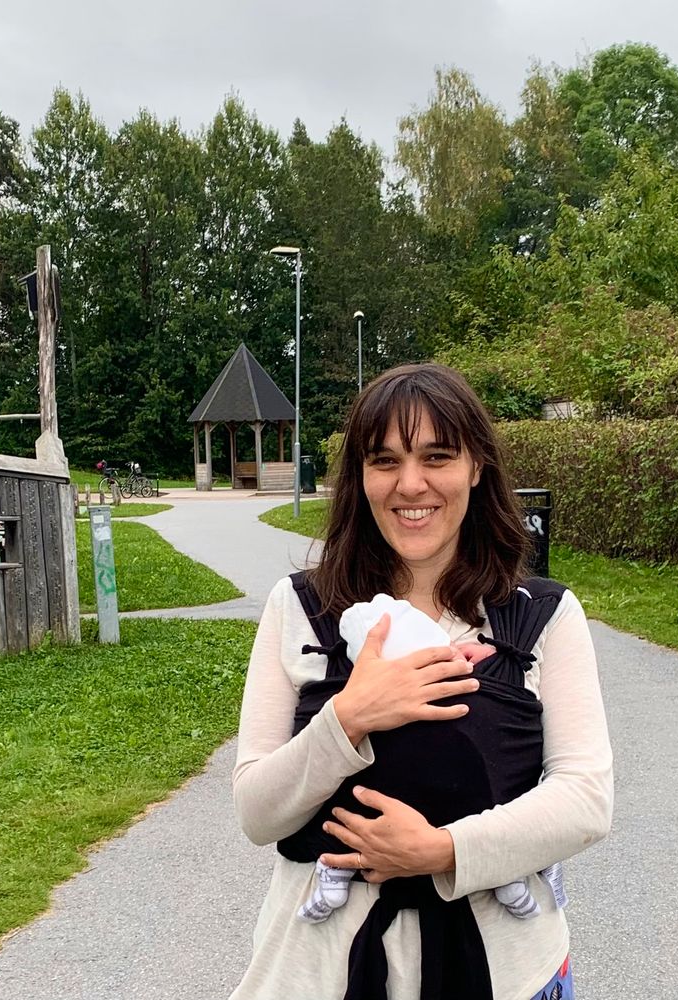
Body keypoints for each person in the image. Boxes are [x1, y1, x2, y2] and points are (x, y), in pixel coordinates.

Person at [230, 363, 613, 1000]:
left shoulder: (542, 616)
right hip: (315, 974)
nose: (411, 485)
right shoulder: (300, 607)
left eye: (437, 456)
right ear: (360, 476)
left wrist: (443, 851)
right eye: (385, 461)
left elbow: (585, 800)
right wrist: (349, 717)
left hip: (508, 972)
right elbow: (257, 812)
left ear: (477, 467)